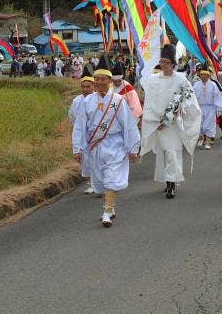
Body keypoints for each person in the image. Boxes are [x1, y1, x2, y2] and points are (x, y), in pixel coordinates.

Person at [72, 55, 140, 227]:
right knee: (100, 180)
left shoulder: (118, 101)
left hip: (115, 145)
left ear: (110, 80)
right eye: (97, 79)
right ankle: (109, 204)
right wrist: (77, 148)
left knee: (111, 177)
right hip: (95, 147)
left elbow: (129, 125)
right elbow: (79, 126)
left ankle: (107, 212)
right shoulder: (87, 101)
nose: (100, 82)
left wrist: (133, 148)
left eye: (103, 79)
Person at [140, 44, 201, 199]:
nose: (163, 65)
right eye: (161, 62)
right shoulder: (153, 79)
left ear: (173, 63)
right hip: (157, 122)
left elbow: (189, 99)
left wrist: (178, 110)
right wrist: (154, 119)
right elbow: (149, 101)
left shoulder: (181, 80)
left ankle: (172, 183)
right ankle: (167, 180)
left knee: (173, 152)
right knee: (163, 153)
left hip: (173, 124)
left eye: (166, 62)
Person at [69, 64, 97, 195]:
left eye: (88, 87)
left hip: (98, 136)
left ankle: (101, 184)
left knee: (99, 160)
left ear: (93, 86)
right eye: (83, 87)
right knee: (87, 161)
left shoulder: (99, 99)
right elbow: (73, 117)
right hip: (84, 137)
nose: (85, 89)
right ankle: (92, 183)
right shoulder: (77, 101)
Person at [194, 64, 222, 150]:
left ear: (208, 75)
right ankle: (201, 139)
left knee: (209, 125)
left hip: (210, 108)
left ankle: (208, 142)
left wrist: (219, 108)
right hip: (200, 107)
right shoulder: (196, 85)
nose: (203, 76)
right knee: (200, 124)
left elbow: (217, 96)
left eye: (205, 75)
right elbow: (193, 96)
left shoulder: (213, 84)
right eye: (201, 75)